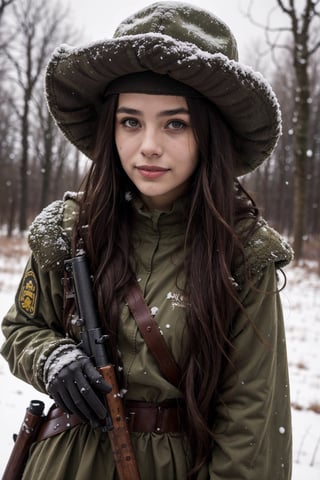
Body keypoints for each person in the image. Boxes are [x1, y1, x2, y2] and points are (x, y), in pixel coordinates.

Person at [1, 2, 293, 479]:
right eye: (130, 121)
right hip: (64, 466)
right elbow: (22, 328)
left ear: (208, 134)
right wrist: (52, 357)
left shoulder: (243, 253)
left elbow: (252, 418)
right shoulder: (68, 229)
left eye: (175, 123)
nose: (148, 145)